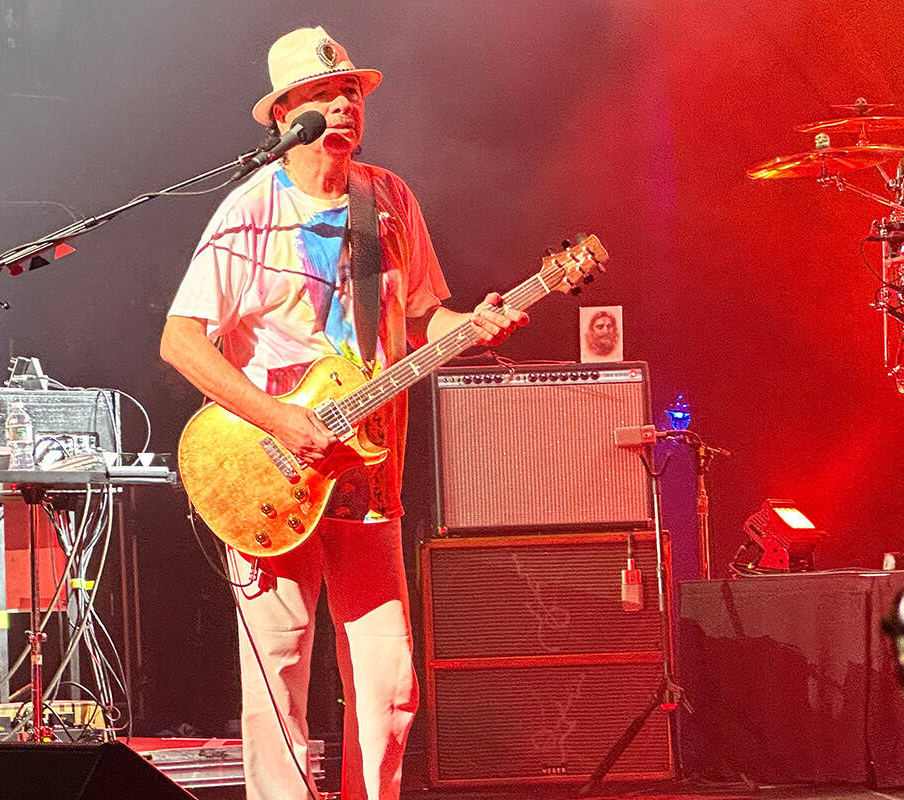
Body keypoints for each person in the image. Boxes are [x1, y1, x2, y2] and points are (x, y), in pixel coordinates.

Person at [160, 27, 527, 800]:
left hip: (371, 475)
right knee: (280, 684)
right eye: (325, 94)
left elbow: (426, 315)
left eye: (352, 92)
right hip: (273, 475)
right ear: (285, 114)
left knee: (391, 687)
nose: (344, 104)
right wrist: (275, 418)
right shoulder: (247, 210)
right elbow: (180, 341)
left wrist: (472, 323)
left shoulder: (388, 199)